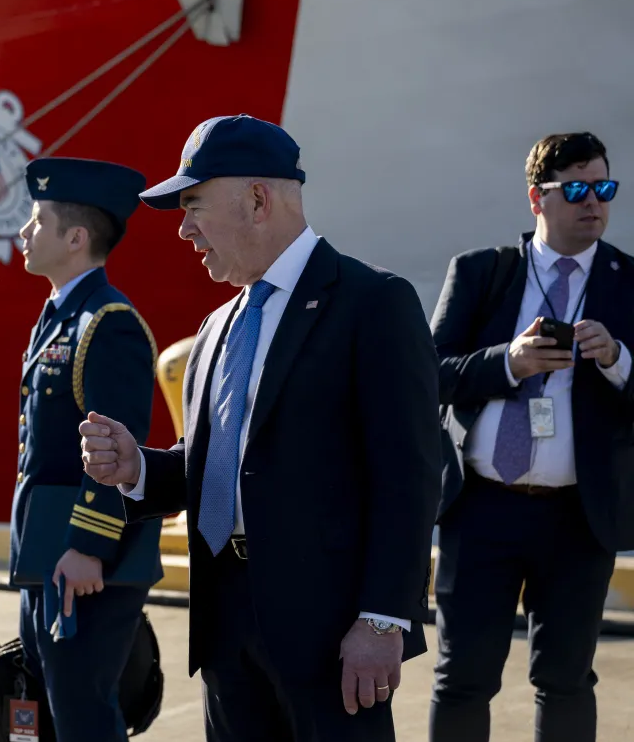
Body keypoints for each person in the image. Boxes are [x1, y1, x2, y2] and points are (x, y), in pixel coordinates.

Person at [78, 114, 443, 741]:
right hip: (227, 622)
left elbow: (409, 475)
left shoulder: (372, 303)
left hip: (331, 633)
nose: (185, 229)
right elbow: (219, 459)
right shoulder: (216, 326)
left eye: (193, 205)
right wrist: (140, 468)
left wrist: (382, 620)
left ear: (257, 199)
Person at [428, 131, 633, 742]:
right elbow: (427, 375)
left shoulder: (630, 282)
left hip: (578, 515)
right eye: (575, 188)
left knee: (567, 680)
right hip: (482, 506)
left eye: (603, 187)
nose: (592, 201)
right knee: (463, 678)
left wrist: (619, 359)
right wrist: (508, 362)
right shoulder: (481, 272)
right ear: (536, 199)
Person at [10, 157, 161, 741]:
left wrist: (88, 547)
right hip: (48, 554)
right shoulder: (61, 317)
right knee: (58, 708)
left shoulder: (108, 322)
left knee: (84, 713)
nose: (24, 232)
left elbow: (114, 450)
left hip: (85, 562)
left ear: (75, 238)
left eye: (37, 219)